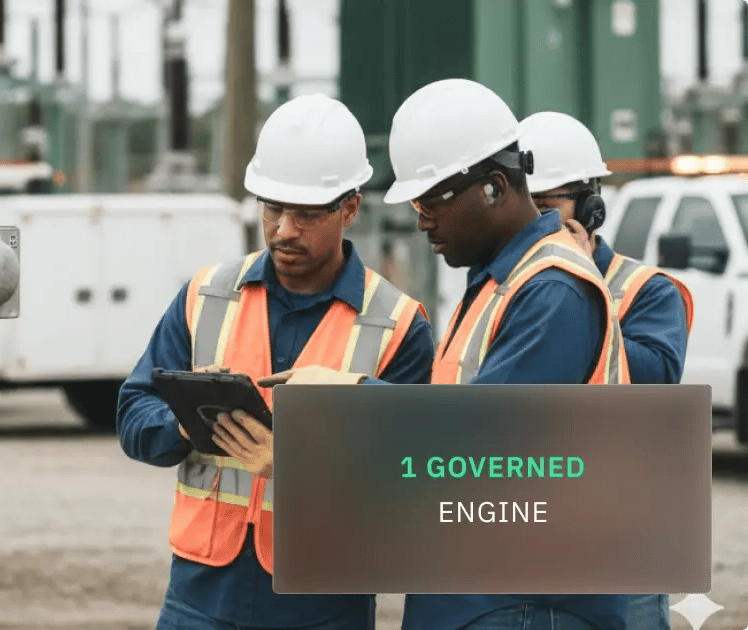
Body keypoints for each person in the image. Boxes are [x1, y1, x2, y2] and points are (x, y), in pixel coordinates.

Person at [262, 79, 633, 630]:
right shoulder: (497, 284)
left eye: (431, 199)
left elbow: (479, 442)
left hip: (527, 599)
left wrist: (347, 395)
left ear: (494, 187)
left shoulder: (553, 290)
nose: (420, 219)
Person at [116, 92, 436, 630]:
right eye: (273, 208)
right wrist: (186, 425)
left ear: (350, 208)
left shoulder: (400, 326)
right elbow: (132, 412)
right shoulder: (206, 295)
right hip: (200, 598)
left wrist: (298, 466)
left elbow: (413, 475)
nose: (285, 230)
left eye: (307, 214)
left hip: (324, 606)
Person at [518, 110, 694, 630]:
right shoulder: (504, 291)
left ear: (590, 207)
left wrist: (577, 292)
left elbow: (654, 381)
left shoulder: (647, 291)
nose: (534, 225)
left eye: (547, 208)